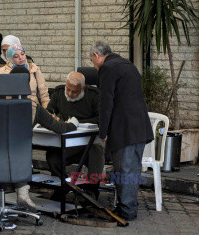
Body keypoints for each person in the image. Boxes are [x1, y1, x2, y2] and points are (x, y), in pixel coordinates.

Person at [0, 67, 64, 211]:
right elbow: (57, 127)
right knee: (17, 152)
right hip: (19, 158)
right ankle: (22, 194)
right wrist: (74, 124)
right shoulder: (34, 107)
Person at [90, 40, 153, 221]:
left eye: (92, 60)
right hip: (139, 126)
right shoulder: (127, 65)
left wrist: (103, 131)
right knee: (131, 169)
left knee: (125, 170)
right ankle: (129, 205)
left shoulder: (108, 69)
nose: (93, 66)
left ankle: (126, 210)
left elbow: (106, 102)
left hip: (124, 128)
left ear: (96, 55)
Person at [45, 71, 103, 199]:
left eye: (74, 92)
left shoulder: (94, 96)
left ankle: (92, 191)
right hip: (68, 142)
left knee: (96, 150)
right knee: (53, 156)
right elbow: (49, 112)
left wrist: (75, 123)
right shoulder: (59, 93)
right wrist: (52, 118)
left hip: (89, 142)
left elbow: (101, 119)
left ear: (83, 88)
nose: (70, 94)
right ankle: (63, 187)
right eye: (68, 89)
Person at [0, 44, 50, 119]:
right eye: (16, 56)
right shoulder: (3, 72)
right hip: (13, 112)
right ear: (10, 59)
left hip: (35, 112)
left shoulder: (34, 69)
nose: (21, 58)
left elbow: (44, 94)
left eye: (22, 54)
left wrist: (47, 113)